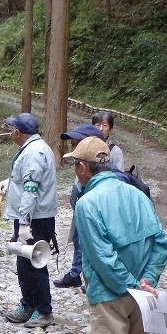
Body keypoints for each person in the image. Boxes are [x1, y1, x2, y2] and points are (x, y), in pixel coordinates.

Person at [67, 137, 167, 334]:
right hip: (143, 293)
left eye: (75, 166)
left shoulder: (87, 203)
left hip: (109, 292)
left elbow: (101, 256)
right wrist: (147, 280)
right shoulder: (137, 194)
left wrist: (129, 284)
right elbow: (160, 243)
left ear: (83, 168)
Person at [0, 113, 58, 329]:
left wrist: (24, 223)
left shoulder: (34, 152)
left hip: (35, 218)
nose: (10, 133)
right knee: (23, 263)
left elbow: (31, 189)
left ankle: (44, 311)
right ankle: (28, 304)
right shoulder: (33, 147)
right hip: (32, 216)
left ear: (17, 132)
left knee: (34, 262)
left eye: (11, 129)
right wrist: (11, 182)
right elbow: (28, 179)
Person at [53, 123, 106, 290]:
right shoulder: (81, 170)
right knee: (78, 239)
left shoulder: (98, 177)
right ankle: (77, 273)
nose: (73, 148)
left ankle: (92, 279)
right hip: (79, 210)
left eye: (77, 144)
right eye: (72, 144)